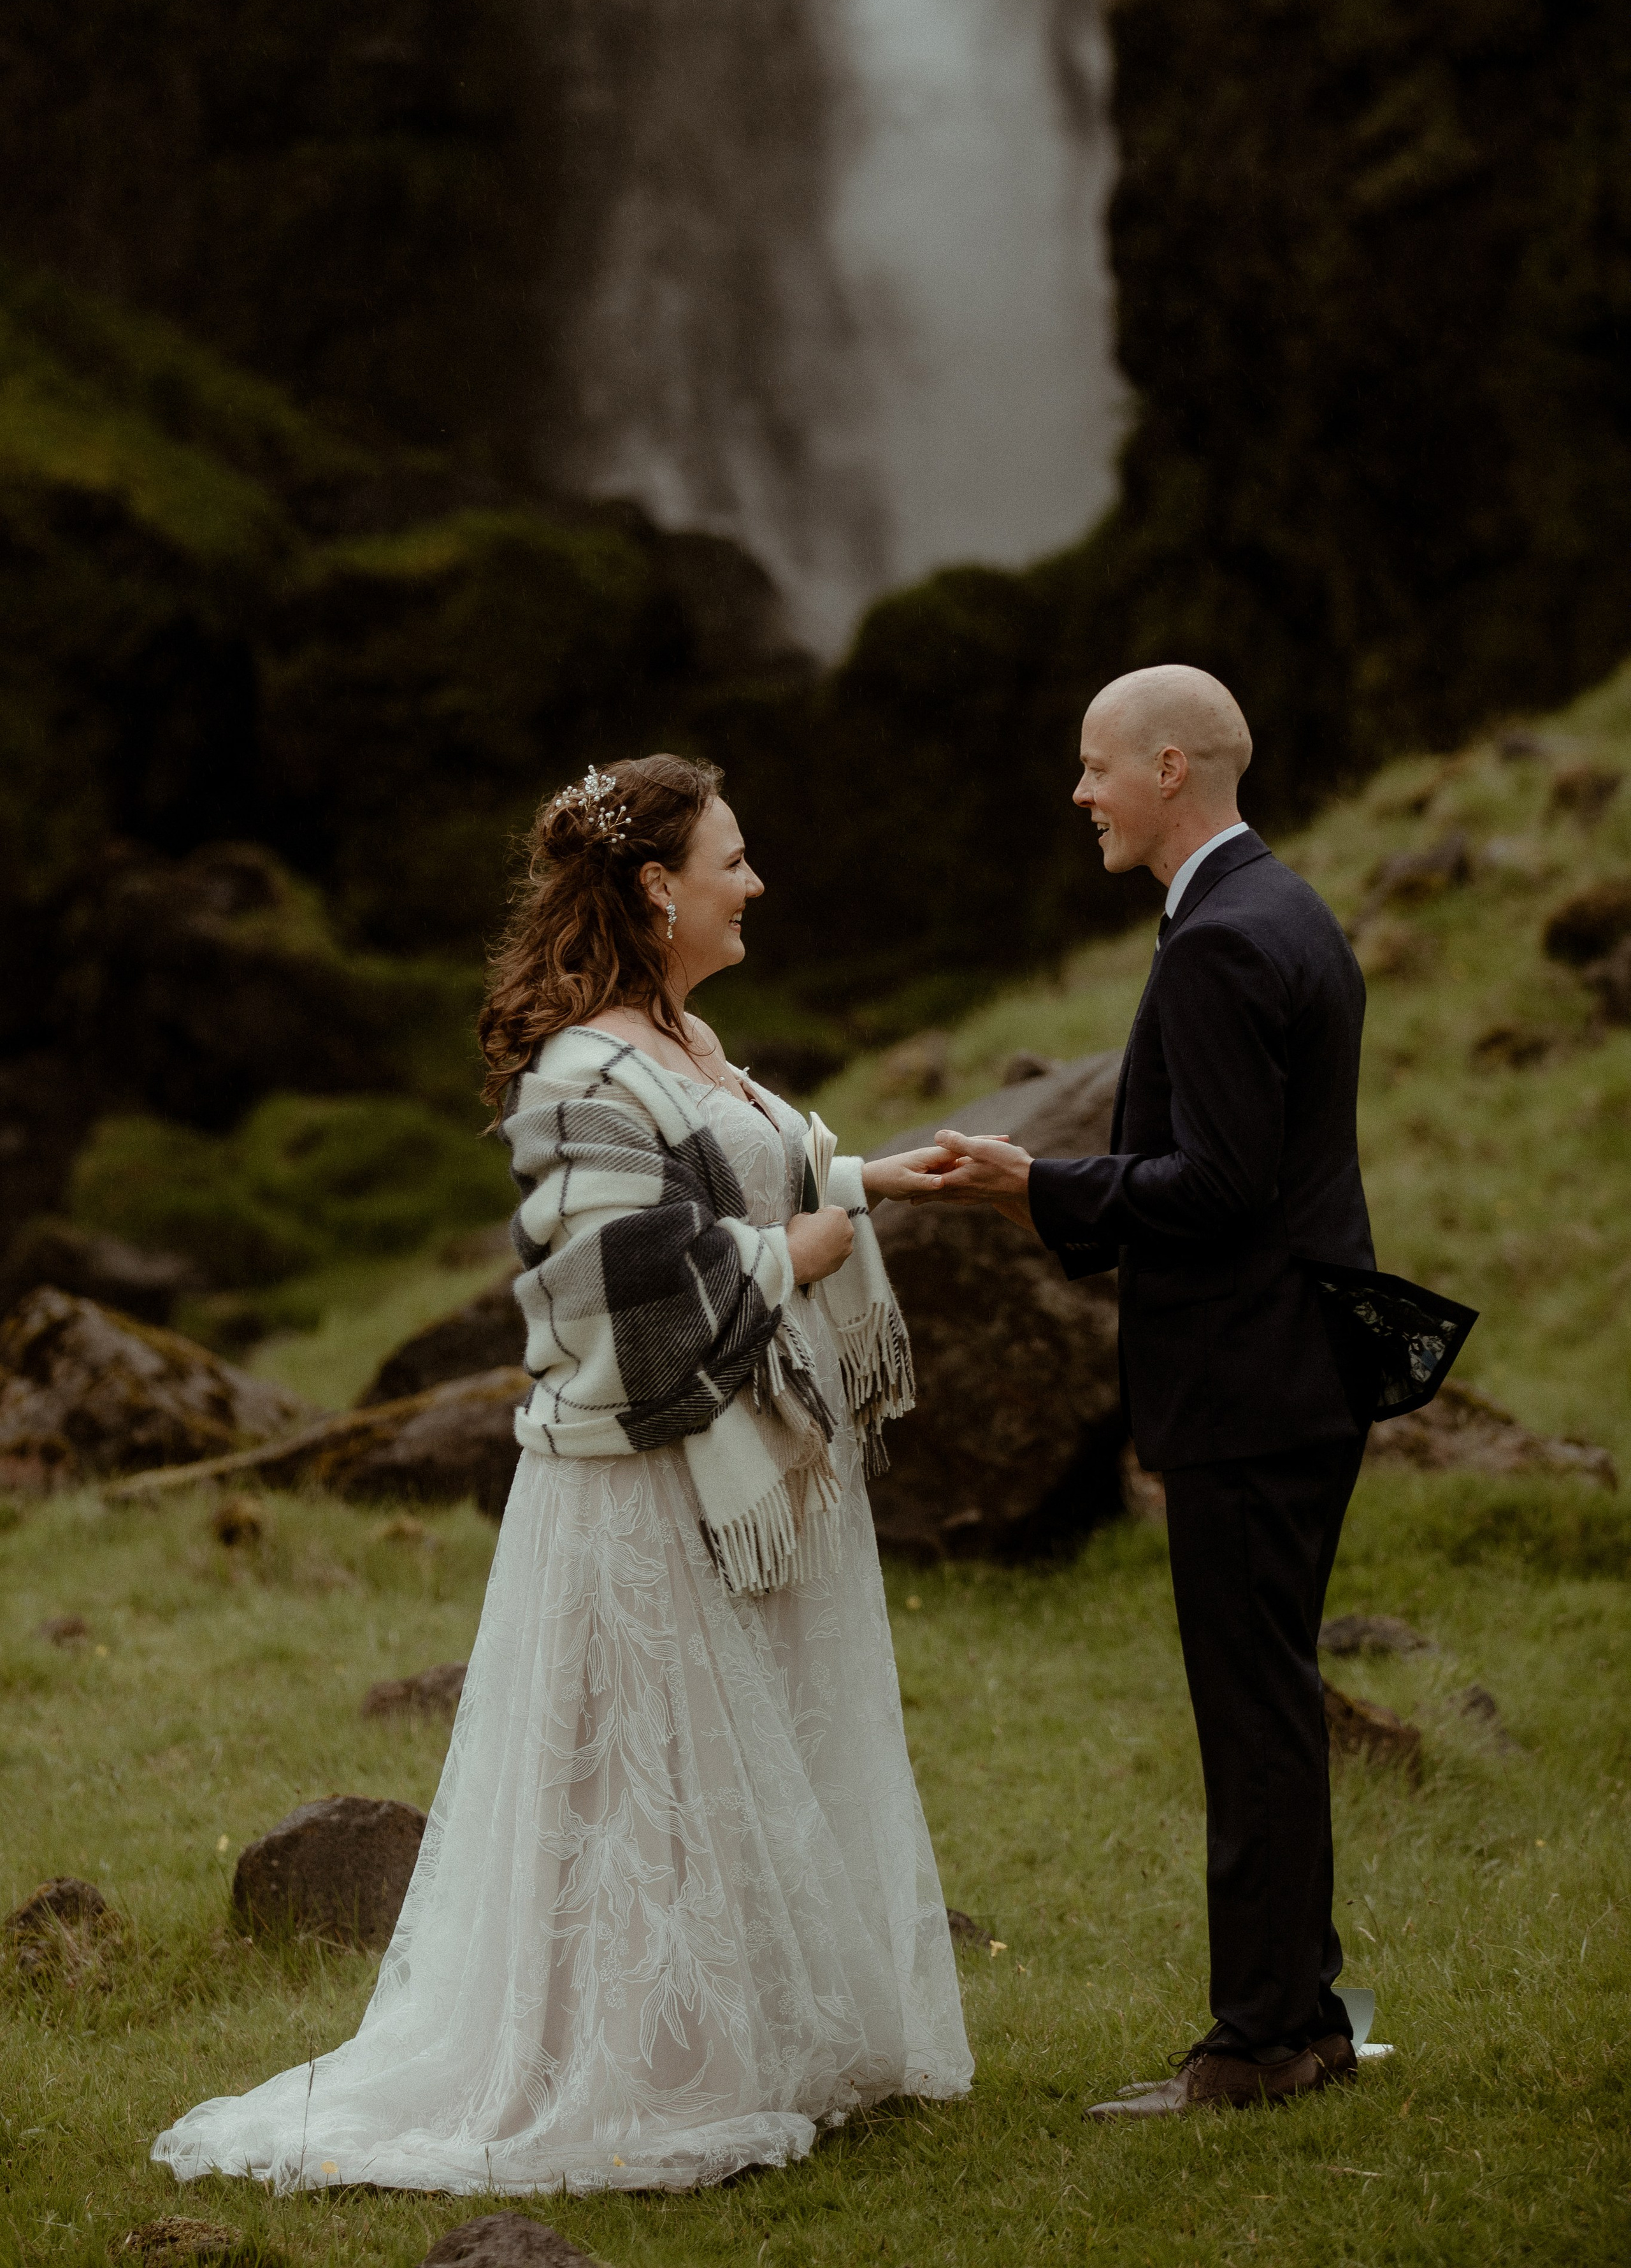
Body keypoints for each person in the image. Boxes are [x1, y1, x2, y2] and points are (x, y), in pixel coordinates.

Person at [152, 753, 972, 2195]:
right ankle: (648, 2073)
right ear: (660, 888)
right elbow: (614, 1292)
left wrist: (865, 1182)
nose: (756, 879)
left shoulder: (688, 1038)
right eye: (733, 857)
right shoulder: (584, 1066)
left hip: (739, 1465)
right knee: (649, 1791)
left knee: (747, 1764)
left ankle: (754, 2038)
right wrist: (797, 1257)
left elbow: (749, 1170)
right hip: (641, 1488)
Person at [933, 665, 1379, 2116]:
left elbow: (1219, 1186)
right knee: (1271, 1696)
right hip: (1303, 1367)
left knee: (1247, 1711)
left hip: (1248, 1383)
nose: (1080, 796)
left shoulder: (1216, 943)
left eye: (1094, 769)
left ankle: (1255, 2044)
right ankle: (1298, 2014)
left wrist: (1035, 1185)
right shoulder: (1286, 906)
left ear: (1169, 768)